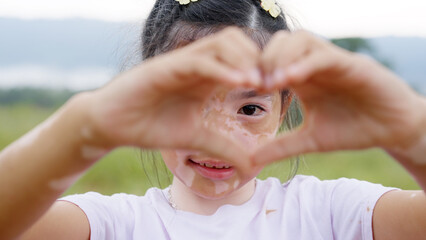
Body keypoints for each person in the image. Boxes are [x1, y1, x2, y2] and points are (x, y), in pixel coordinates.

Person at [1, 0, 425, 239]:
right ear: (146, 99)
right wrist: (83, 126)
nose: (217, 137)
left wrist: (411, 129)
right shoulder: (112, 225)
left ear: (284, 107)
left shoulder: (333, 213)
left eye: (250, 109)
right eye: (190, 105)